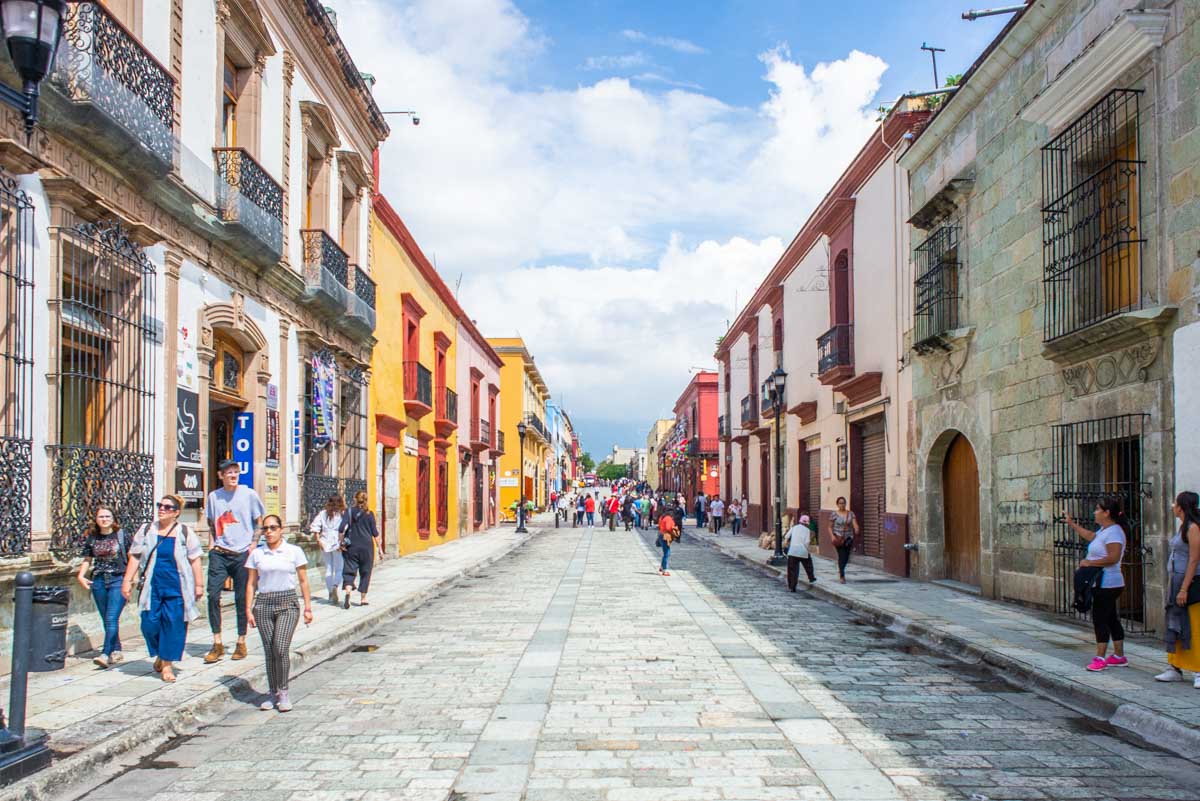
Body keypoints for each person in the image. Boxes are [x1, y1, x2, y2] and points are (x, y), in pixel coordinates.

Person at [122, 495, 203, 684]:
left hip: (177, 587)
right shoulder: (147, 530)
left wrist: (199, 585)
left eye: (167, 507)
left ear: (176, 512)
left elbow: (195, 559)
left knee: (173, 624)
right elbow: (134, 555)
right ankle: (160, 652)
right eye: (160, 505)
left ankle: (167, 664)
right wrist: (127, 580)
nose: (162, 509)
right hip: (153, 586)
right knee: (149, 623)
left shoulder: (185, 532)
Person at [247, 514, 313, 712]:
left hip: (288, 603)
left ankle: (283, 691)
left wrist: (308, 607)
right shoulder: (257, 554)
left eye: (273, 528)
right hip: (264, 604)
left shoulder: (294, 552)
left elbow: (303, 580)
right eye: (265, 528)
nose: (268, 532)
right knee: (269, 650)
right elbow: (251, 584)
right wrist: (248, 610)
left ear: (281, 529)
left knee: (280, 647)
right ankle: (272, 692)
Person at [204, 459, 266, 664]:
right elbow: (211, 521)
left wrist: (253, 544)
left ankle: (241, 640)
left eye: (235, 472)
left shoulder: (248, 494)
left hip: (242, 553)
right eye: (228, 473)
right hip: (220, 552)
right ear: (221, 475)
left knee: (242, 597)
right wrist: (213, 544)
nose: (233, 475)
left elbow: (259, 521)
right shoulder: (214, 497)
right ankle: (217, 642)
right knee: (213, 595)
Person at [1064, 496, 1129, 672]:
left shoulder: (1114, 532)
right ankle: (1119, 656)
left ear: (1107, 513)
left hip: (1108, 583)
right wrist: (1072, 524)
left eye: (1098, 509)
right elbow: (1091, 536)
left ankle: (1100, 658)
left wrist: (1089, 563)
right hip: (1105, 582)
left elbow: (1113, 557)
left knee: (1100, 618)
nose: (1095, 512)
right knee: (1111, 618)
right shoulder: (1104, 531)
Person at [77, 506, 131, 668]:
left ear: (113, 519)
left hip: (118, 580)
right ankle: (116, 649)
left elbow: (132, 558)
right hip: (99, 580)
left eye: (107, 516)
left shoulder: (121, 536)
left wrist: (130, 579)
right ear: (96, 519)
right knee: (106, 618)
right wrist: (81, 575)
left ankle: (106, 653)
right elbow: (87, 559)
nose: (104, 519)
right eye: (101, 517)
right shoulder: (93, 537)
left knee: (111, 617)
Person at [1159, 491, 1200, 686]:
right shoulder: (1183, 526)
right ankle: (1174, 666)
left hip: (1190, 583)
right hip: (1176, 581)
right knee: (1175, 623)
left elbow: (1194, 559)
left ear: (1181, 507)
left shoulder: (1193, 528)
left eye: (1175, 503)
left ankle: (1198, 670)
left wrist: (1184, 588)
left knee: (1193, 625)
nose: (1172, 506)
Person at [341, 490, 381, 608]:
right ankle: (363, 598)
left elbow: (341, 528)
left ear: (355, 499)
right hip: (366, 546)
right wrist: (380, 549)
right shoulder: (369, 514)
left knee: (349, 569)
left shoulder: (348, 512)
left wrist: (341, 542)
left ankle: (348, 590)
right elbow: (375, 533)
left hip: (352, 546)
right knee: (365, 571)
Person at [309, 494, 347, 605]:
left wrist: (318, 540)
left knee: (329, 568)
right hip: (337, 543)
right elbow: (346, 529)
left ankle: (330, 592)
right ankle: (335, 586)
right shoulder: (342, 514)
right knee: (339, 568)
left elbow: (315, 527)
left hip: (324, 542)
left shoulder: (323, 513)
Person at [785, 514, 817, 590]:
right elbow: (807, 542)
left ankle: (792, 586)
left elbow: (786, 536)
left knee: (792, 570)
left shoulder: (794, 527)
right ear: (807, 524)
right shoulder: (807, 530)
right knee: (808, 565)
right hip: (803, 551)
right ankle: (811, 578)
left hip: (793, 551)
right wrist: (808, 551)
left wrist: (787, 543)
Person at [831, 497, 859, 584]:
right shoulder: (834, 514)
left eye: (843, 503)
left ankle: (841, 569)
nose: (842, 505)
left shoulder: (850, 514)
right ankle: (842, 576)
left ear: (845, 504)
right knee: (842, 555)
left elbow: (854, 523)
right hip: (838, 537)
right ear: (837, 504)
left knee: (846, 557)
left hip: (848, 538)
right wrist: (832, 536)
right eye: (840, 503)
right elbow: (829, 526)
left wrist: (856, 528)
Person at [657, 510, 678, 576]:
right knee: (667, 553)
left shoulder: (662, 517)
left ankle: (661, 566)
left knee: (665, 552)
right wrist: (674, 528)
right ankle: (664, 570)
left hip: (661, 534)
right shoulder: (668, 518)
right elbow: (668, 528)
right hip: (665, 536)